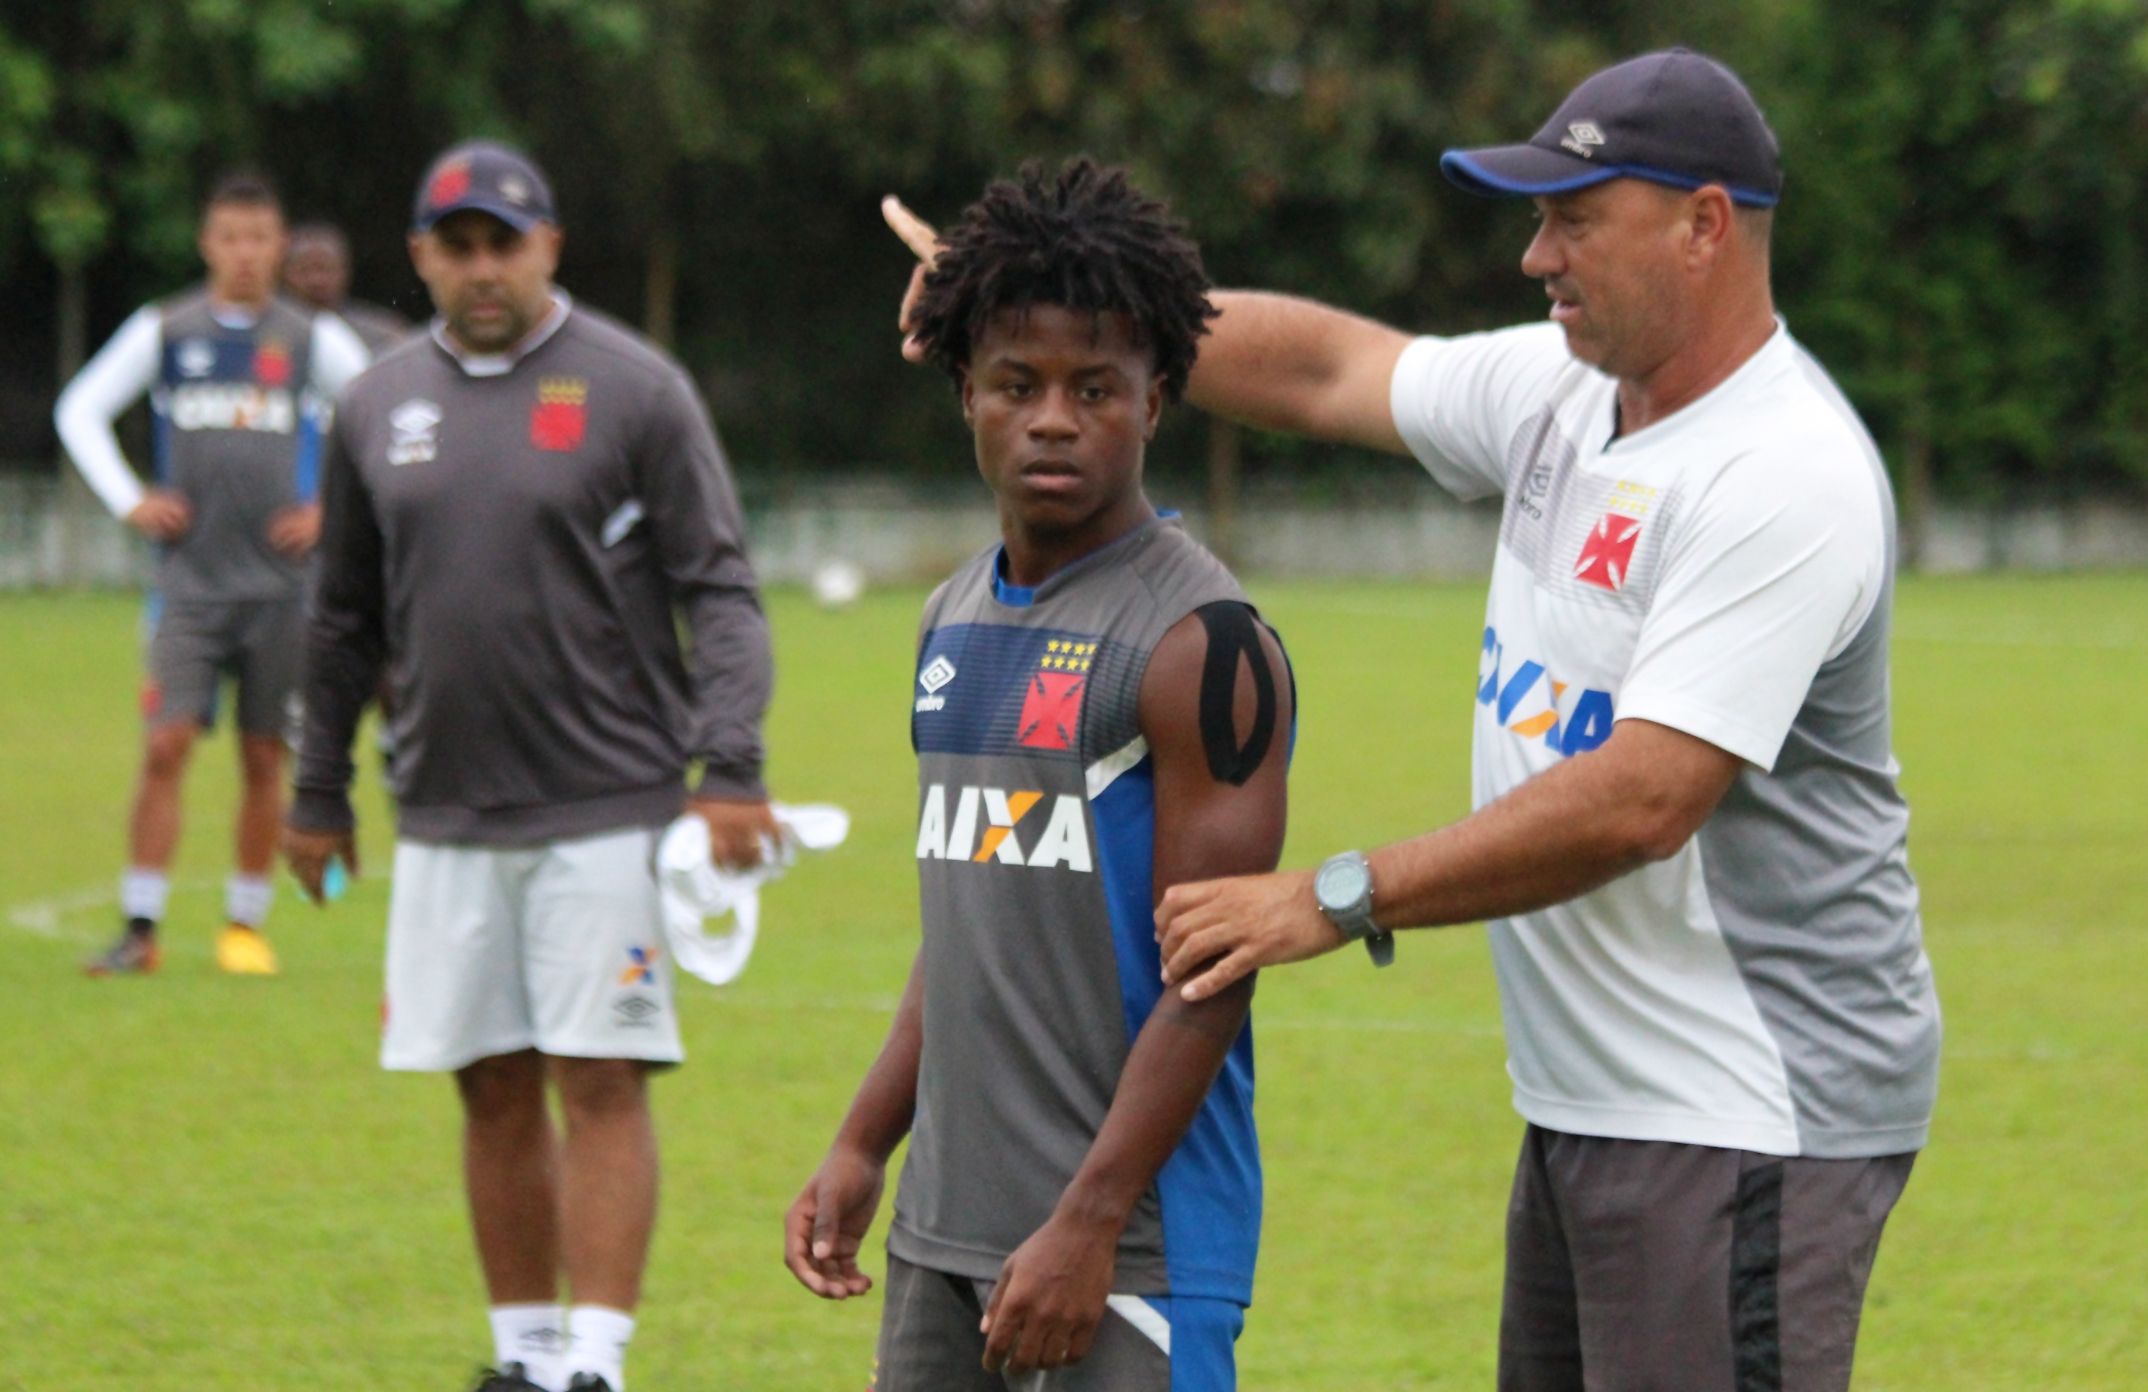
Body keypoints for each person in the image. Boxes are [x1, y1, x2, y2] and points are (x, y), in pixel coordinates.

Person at [1145, 48, 1942, 1392]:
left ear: (1702, 225)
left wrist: (1338, 896)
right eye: (1537, 221)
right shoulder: (1563, 395)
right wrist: (1083, 307)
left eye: (1573, 220)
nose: (1536, 259)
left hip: (1747, 1110)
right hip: (1599, 1102)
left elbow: (1643, 799)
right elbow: (1335, 370)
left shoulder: (1780, 471)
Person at [787, 159, 1293, 1390]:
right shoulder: (951, 614)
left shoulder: (1203, 643)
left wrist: (1090, 1223)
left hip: (1134, 1246)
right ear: (966, 391)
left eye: (1095, 387)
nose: (1054, 418)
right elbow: (971, 918)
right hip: (945, 1230)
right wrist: (865, 1142)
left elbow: (1214, 973)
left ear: (1157, 399)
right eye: (1018, 383)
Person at [281, 139, 777, 1392]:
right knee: (490, 1085)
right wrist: (319, 792)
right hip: (442, 812)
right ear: (421, 259)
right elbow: (342, 620)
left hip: (607, 808)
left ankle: (597, 1365)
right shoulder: (371, 405)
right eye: (458, 245)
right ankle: (524, 1358)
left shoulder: (637, 390)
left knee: (599, 1076)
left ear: (549, 246)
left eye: (506, 241)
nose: (483, 266)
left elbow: (718, 589)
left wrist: (731, 765)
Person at [55, 171, 370, 977]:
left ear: (280, 246)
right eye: (229, 237)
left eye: (260, 238)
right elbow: (79, 409)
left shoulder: (309, 339)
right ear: (207, 244)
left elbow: (379, 416)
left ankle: (244, 925)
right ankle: (141, 927)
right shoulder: (164, 331)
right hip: (188, 589)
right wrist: (130, 499)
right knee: (165, 746)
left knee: (265, 757)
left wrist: (332, 510)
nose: (244, 253)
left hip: (280, 592)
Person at [284, 220, 417, 353]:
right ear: (283, 273)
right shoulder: (271, 333)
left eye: (325, 269)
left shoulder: (385, 334)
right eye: (304, 270)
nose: (316, 280)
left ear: (345, 270)